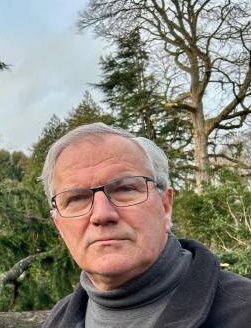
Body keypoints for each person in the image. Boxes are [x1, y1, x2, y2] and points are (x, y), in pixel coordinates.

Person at [41, 123, 251, 327]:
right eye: (76, 199)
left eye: (124, 189)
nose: (102, 214)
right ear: (59, 225)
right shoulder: (59, 319)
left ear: (165, 206)